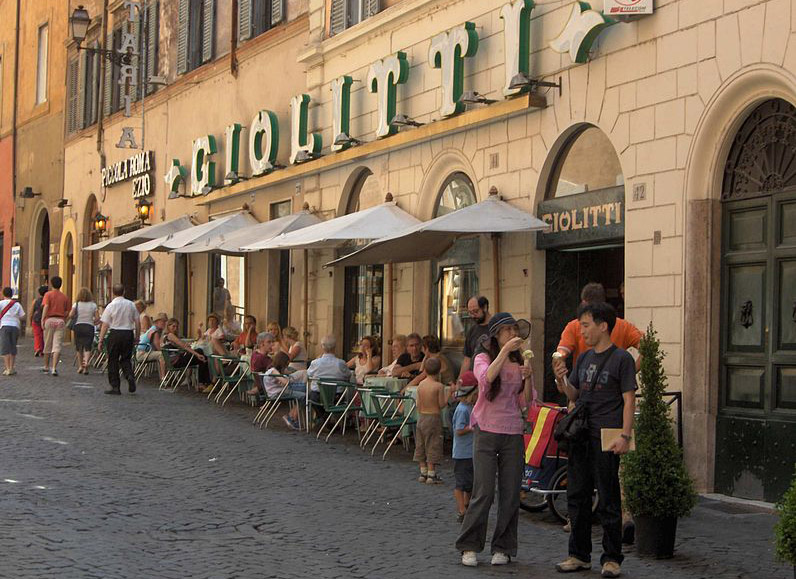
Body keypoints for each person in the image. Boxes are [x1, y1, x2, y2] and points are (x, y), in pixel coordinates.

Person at [552, 302, 637, 578]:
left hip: (608, 437)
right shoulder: (584, 358)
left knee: (609, 498)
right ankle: (578, 554)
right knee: (577, 496)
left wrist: (625, 435)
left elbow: (628, 400)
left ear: (603, 326)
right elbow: (575, 395)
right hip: (581, 436)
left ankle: (612, 558)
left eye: (586, 325)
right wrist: (562, 381)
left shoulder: (621, 359)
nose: (582, 331)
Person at [456, 312, 535, 567]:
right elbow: (485, 379)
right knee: (484, 491)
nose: (513, 334)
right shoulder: (483, 357)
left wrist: (529, 376)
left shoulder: (519, 359)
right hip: (487, 430)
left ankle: (503, 546)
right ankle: (469, 545)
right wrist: (503, 354)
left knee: (511, 493)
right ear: (496, 336)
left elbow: (526, 401)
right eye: (508, 330)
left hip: (512, 431)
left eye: (515, 330)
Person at [557, 282, 642, 372]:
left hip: (585, 381)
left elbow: (561, 353)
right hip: (614, 381)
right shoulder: (623, 326)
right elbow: (647, 346)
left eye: (586, 326)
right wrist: (631, 373)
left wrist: (559, 362)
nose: (582, 331)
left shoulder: (574, 326)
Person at [97, 284, 140, 395]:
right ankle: (129, 375)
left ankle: (115, 386)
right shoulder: (131, 305)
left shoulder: (111, 306)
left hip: (115, 333)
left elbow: (105, 324)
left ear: (113, 293)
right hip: (128, 333)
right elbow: (137, 322)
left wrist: (101, 340)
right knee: (126, 358)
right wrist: (137, 337)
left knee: (113, 360)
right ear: (124, 291)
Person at [414, 357, 447, 485]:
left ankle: (423, 472)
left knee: (421, 444)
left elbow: (418, 404)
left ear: (425, 371)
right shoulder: (439, 386)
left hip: (421, 417)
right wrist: (450, 395)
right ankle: (431, 474)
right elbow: (441, 404)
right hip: (433, 417)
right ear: (439, 371)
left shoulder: (421, 385)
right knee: (433, 444)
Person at [452, 371, 479, 523]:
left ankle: (468, 505)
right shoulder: (463, 410)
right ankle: (462, 510)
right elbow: (458, 430)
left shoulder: (469, 407)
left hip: (470, 452)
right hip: (462, 453)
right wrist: (470, 428)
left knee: (470, 482)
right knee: (461, 483)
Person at [307, 335, 354, 417]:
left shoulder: (315, 363)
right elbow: (348, 376)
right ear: (334, 347)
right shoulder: (340, 363)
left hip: (317, 396)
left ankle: (323, 420)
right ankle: (328, 421)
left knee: (311, 398)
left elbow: (308, 375)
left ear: (322, 347)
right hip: (336, 397)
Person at [162, 318, 212, 390]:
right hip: (177, 362)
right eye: (173, 326)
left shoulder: (165, 336)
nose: (175, 328)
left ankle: (201, 382)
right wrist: (197, 354)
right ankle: (203, 382)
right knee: (200, 352)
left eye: (176, 327)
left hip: (171, 362)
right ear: (168, 326)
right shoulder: (170, 335)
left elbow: (182, 345)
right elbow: (183, 346)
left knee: (201, 356)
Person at [262, 351, 306, 430]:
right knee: (304, 396)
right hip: (278, 393)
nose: (286, 366)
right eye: (286, 364)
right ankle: (291, 417)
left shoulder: (270, 370)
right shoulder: (273, 371)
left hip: (274, 393)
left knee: (301, 393)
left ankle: (292, 416)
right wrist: (284, 379)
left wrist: (283, 377)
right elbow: (286, 382)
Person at [41, 276, 71, 376]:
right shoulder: (64, 297)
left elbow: (46, 307)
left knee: (47, 344)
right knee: (57, 345)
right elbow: (67, 311)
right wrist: (64, 319)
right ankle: (54, 368)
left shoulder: (48, 295)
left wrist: (43, 319)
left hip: (49, 319)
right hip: (60, 320)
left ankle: (46, 366)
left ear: (51, 284)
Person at [460, 296, 492, 379]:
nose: (473, 316)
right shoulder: (472, 331)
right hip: (474, 379)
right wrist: (460, 381)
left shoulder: (497, 328)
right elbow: (467, 359)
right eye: (470, 312)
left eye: (475, 311)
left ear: (485, 308)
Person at [69, 287, 99, 375]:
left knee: (79, 347)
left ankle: (80, 366)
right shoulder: (93, 305)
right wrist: (92, 321)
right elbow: (97, 318)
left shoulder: (76, 304)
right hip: (89, 326)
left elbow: (71, 315)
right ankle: (86, 366)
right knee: (88, 347)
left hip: (78, 326)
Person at [0, 287, 25, 375]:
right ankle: (12, 367)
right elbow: (22, 316)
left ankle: (7, 369)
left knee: (5, 347)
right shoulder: (17, 304)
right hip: (15, 326)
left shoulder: (1, 303)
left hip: (4, 326)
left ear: (3, 294)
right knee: (13, 346)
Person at [137, 313, 168, 380]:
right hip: (142, 354)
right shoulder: (155, 331)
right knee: (162, 355)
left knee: (163, 354)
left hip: (143, 352)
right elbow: (157, 346)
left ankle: (164, 377)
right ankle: (164, 378)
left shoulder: (153, 329)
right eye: (162, 321)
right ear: (157, 322)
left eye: (165, 321)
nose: (164, 323)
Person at [246, 331, 275, 395]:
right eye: (269, 342)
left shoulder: (255, 354)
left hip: (259, 384)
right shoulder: (264, 359)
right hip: (269, 386)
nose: (272, 344)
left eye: (273, 342)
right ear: (262, 344)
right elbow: (276, 370)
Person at [30, 285, 48, 357]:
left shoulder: (35, 301)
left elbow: (32, 311)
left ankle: (38, 348)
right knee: (45, 335)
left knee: (37, 335)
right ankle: (43, 349)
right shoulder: (47, 300)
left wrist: (30, 319)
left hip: (36, 319)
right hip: (45, 319)